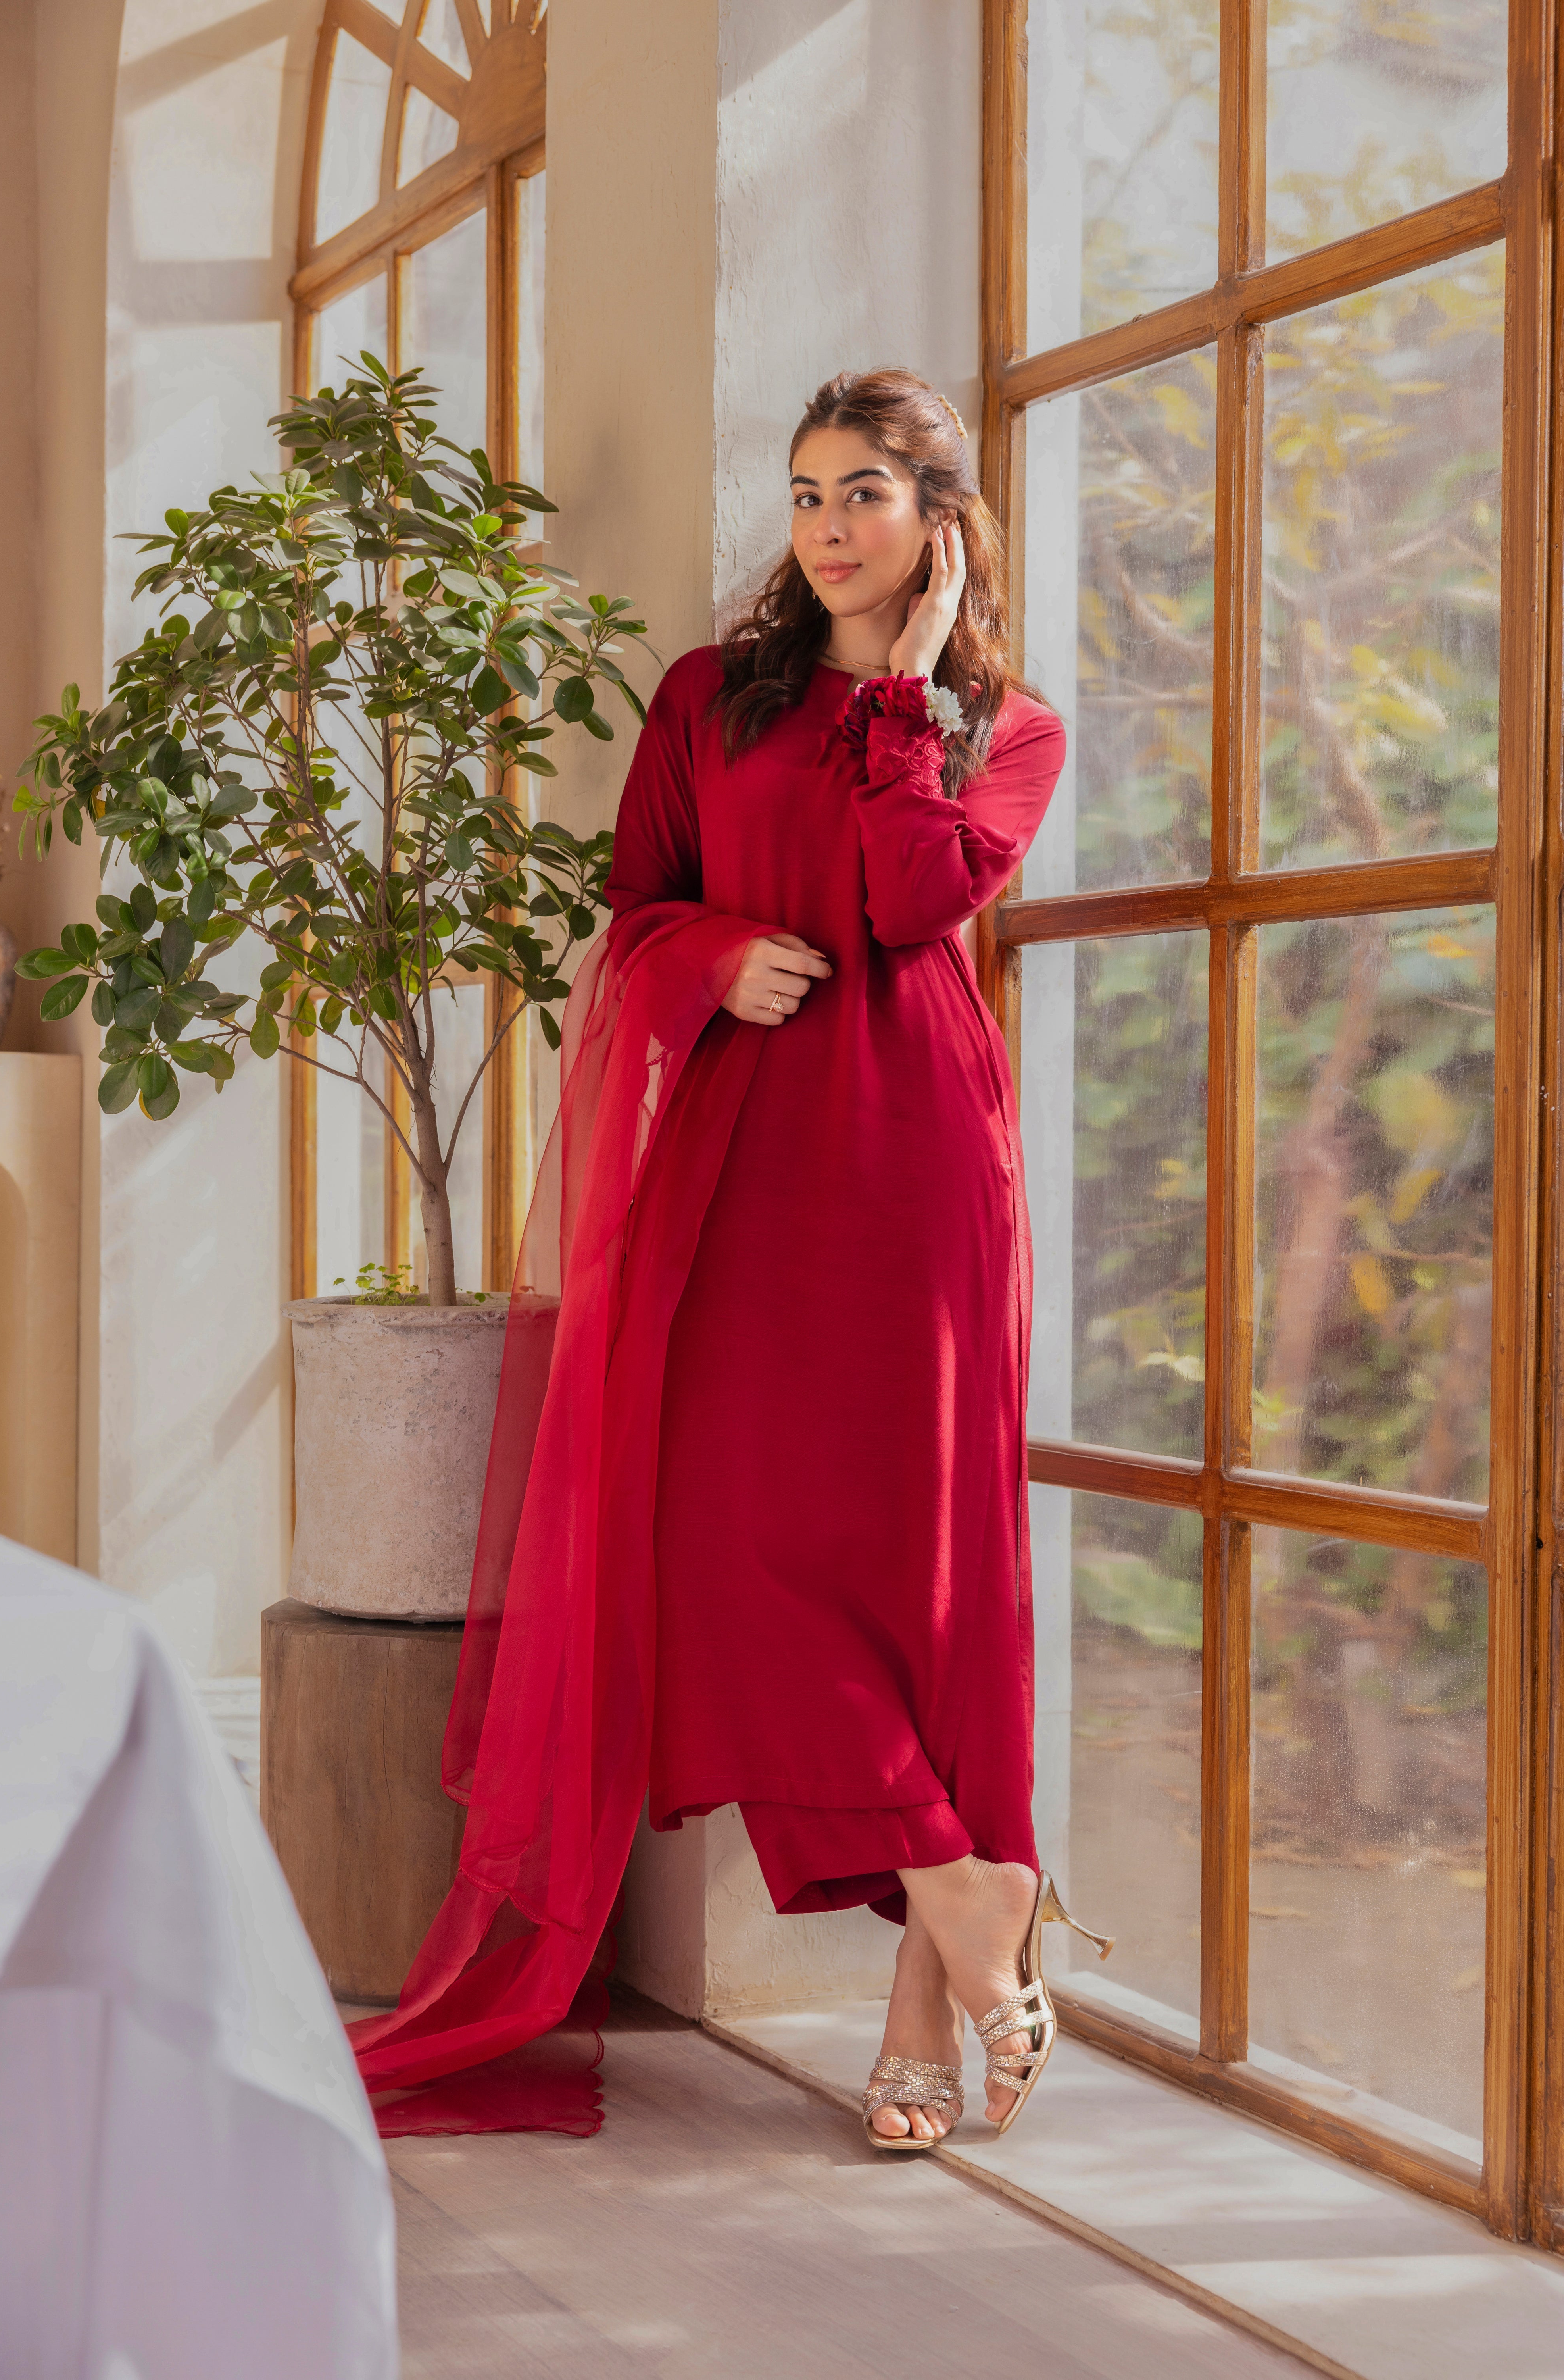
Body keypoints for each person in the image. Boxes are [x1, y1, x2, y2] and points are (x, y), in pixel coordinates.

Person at [350, 367, 1111, 2152]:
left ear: (940, 521)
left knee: (924, 1577)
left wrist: (909, 700)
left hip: (917, 1167)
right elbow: (636, 907)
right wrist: (710, 960)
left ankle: (920, 2011)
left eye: (866, 494)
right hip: (741, 1158)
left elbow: (916, 902)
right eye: (806, 494)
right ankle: (972, 1887)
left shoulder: (1008, 730)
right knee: (713, 1543)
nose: (827, 527)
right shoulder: (710, 695)